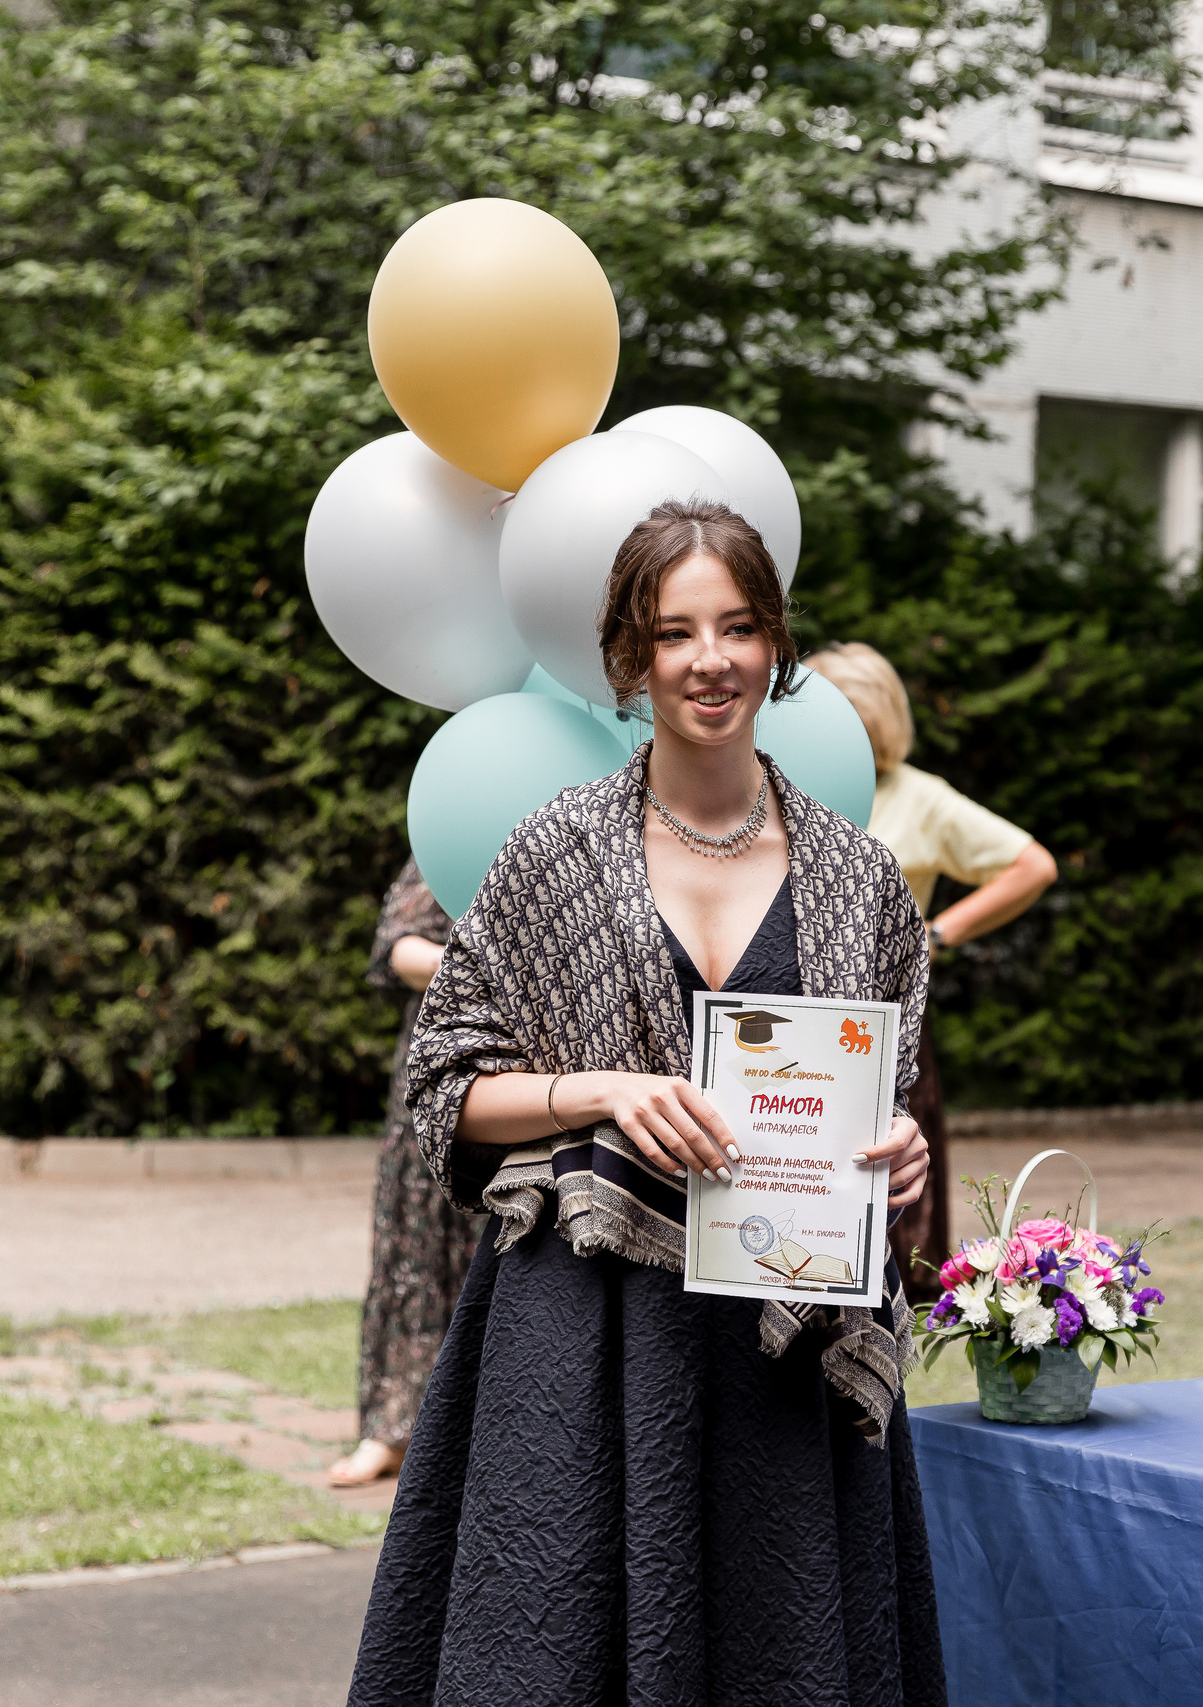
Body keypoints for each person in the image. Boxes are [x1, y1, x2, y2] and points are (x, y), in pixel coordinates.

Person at [346, 501, 944, 1707]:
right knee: (557, 1655)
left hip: (783, 1350)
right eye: (674, 633)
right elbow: (441, 1086)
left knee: (783, 1658)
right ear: (629, 658)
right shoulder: (554, 852)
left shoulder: (857, 876)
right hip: (581, 1337)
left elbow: (876, 1095)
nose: (708, 659)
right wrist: (601, 1090)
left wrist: (904, 1151)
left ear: (774, 644)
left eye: (735, 627)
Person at [803, 641, 1056, 1295]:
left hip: (886, 1033)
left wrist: (937, 932)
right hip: (794, 1023)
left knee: (895, 1214)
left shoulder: (922, 797)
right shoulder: (785, 784)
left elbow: (1033, 864)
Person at [328, 860, 481, 1488]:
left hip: (531, 1070)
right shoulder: (455, 836)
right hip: (438, 1071)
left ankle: (487, 1435)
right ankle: (391, 1429)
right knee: (413, 1249)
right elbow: (400, 946)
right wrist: (498, 970)